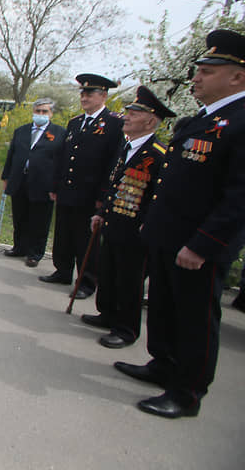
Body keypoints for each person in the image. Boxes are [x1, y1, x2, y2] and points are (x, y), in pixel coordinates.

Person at [115, 29, 245, 419]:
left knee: (195, 319)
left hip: (197, 246)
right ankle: (164, 364)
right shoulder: (202, 120)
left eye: (207, 70)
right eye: (198, 68)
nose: (197, 77)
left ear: (237, 76)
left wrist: (203, 244)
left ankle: (187, 392)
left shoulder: (239, 123)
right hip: (168, 238)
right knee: (166, 309)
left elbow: (238, 198)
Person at [81, 86, 175, 349]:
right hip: (114, 223)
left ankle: (126, 329)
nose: (127, 116)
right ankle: (108, 314)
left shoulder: (157, 154)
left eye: (134, 113)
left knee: (129, 281)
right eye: (128, 111)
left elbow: (157, 197)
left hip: (136, 231)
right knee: (109, 273)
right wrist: (101, 213)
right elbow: (116, 187)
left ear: (150, 120)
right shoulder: (128, 148)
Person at [39, 73, 124, 299]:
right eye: (82, 94)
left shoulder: (114, 124)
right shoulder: (76, 122)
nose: (84, 97)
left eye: (89, 94)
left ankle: (86, 281)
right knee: (64, 233)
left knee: (86, 239)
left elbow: (114, 163)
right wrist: (56, 186)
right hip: (67, 190)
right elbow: (64, 157)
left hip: (91, 194)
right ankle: (63, 270)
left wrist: (104, 196)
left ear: (103, 95)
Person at [1, 99, 66, 267]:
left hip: (43, 184)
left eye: (44, 112)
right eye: (38, 111)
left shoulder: (59, 133)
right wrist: (6, 177)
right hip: (20, 180)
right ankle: (19, 247)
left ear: (51, 114)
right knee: (19, 217)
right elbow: (11, 155)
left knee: (39, 221)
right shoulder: (21, 131)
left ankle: (34, 253)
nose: (40, 114)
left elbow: (61, 162)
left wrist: (57, 186)